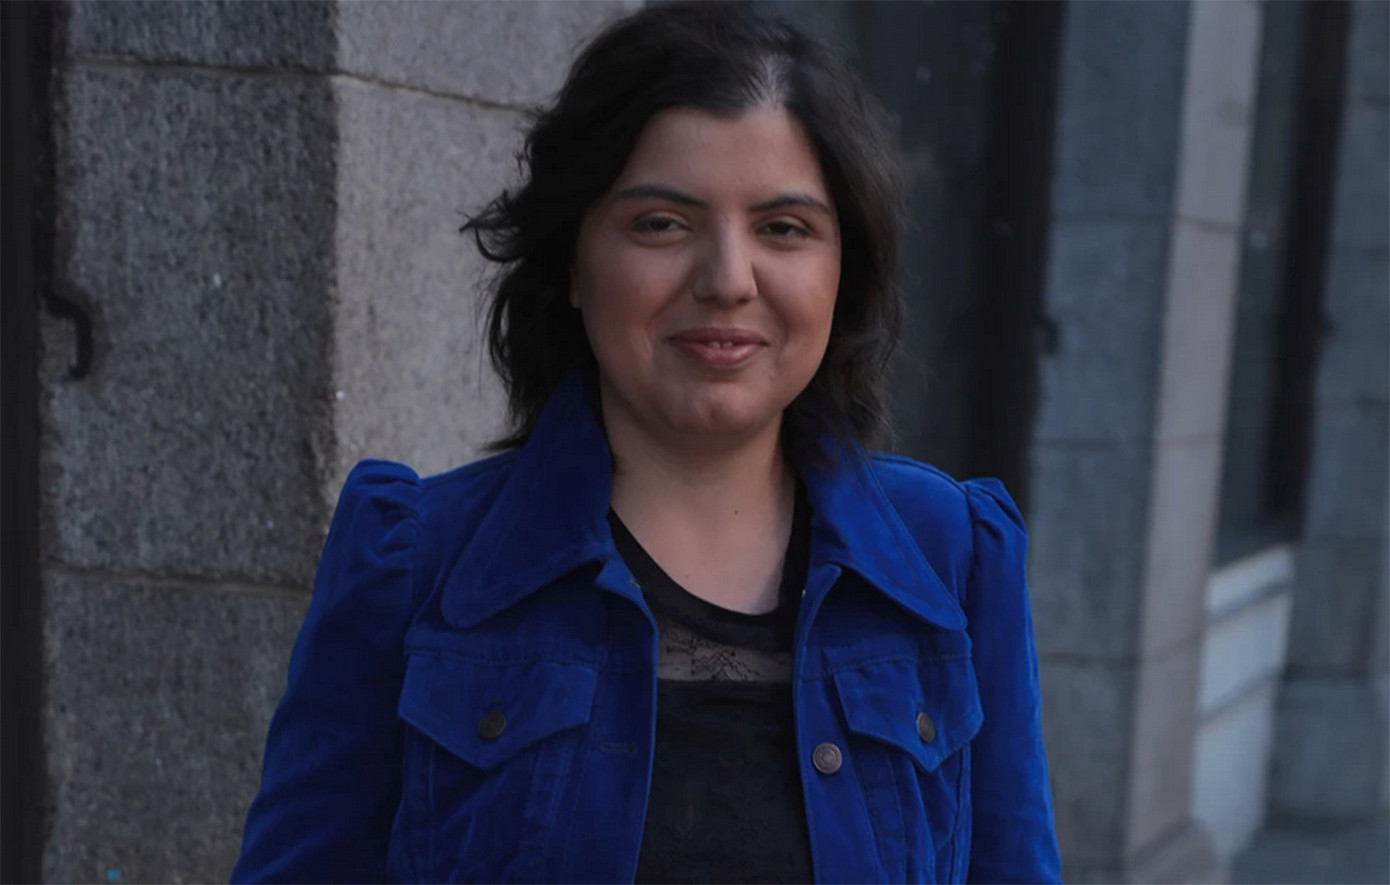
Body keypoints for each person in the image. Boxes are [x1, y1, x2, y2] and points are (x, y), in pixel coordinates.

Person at [231, 4, 1060, 883]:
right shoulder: (417, 563)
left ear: (842, 273)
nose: (728, 279)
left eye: (784, 228)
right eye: (662, 223)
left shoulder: (950, 559)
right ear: (573, 263)